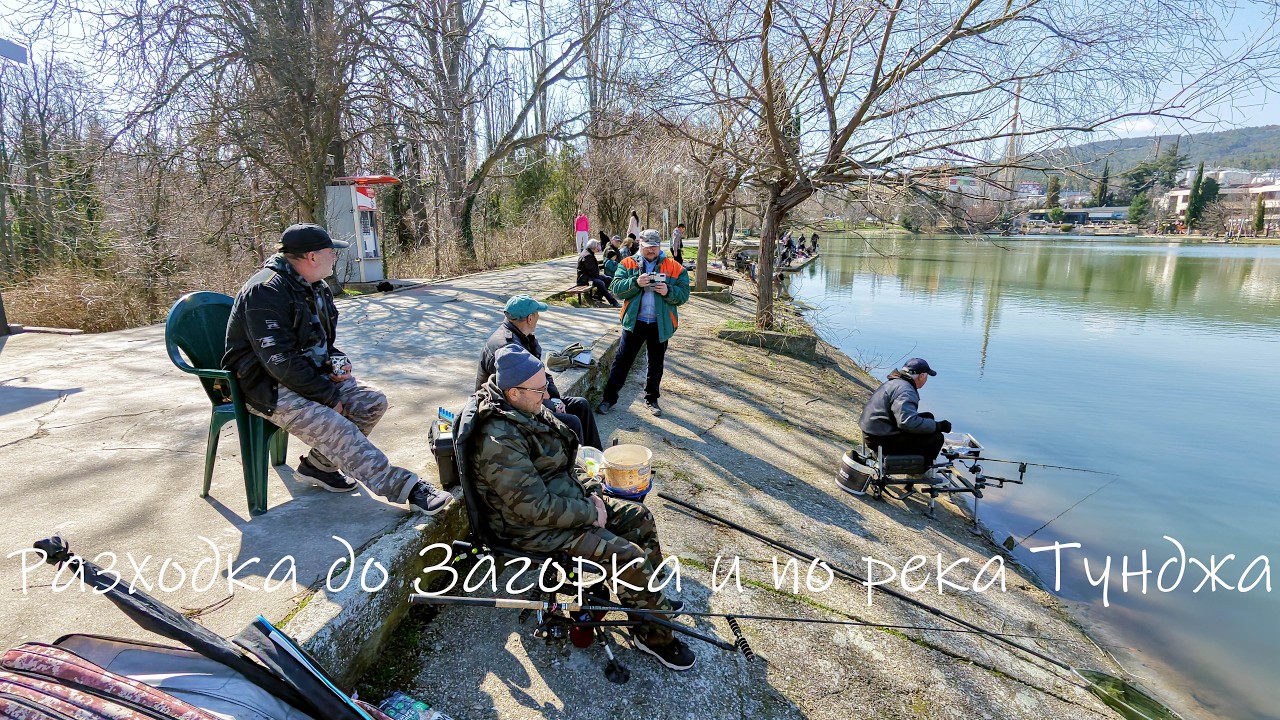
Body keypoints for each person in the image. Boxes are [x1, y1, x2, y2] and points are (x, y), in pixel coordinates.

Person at [471, 346, 694, 670]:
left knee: (640, 517)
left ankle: (650, 602)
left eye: (545, 383)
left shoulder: (527, 407)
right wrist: (591, 513)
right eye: (539, 388)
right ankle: (656, 637)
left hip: (567, 505)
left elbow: (568, 458)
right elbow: (532, 508)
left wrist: (593, 494)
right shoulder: (499, 440)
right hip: (532, 529)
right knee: (627, 556)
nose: (547, 392)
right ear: (514, 391)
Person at [223, 224, 453, 514]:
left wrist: (336, 362)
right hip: (265, 387)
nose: (336, 258)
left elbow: (322, 342)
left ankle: (320, 466)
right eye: (332, 253)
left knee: (371, 402)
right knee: (338, 426)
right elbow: (280, 361)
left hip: (306, 376)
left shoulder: (315, 287)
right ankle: (406, 488)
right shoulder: (265, 291)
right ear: (312, 257)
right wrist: (329, 397)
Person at [476, 294, 604, 450]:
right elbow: (518, 397)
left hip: (528, 398)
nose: (538, 318)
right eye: (537, 314)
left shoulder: (522, 337)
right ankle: (579, 467)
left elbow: (541, 373)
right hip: (507, 412)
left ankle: (596, 457)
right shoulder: (507, 348)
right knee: (572, 422)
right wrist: (550, 404)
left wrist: (556, 399)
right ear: (530, 318)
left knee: (581, 405)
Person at [596, 229, 690, 417]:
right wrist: (636, 283)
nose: (651, 251)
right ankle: (608, 399)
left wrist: (668, 291)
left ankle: (651, 399)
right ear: (641, 245)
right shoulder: (628, 263)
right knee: (622, 362)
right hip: (634, 322)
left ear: (660, 246)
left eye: (654, 247)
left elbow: (684, 294)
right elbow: (615, 289)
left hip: (660, 323)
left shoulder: (674, 267)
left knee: (656, 363)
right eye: (647, 247)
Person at [857, 358, 951, 464]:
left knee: (928, 416)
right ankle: (917, 472)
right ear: (921, 376)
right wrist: (938, 426)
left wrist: (932, 424)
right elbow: (907, 423)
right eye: (927, 376)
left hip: (873, 431)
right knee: (937, 438)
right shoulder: (906, 391)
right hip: (880, 438)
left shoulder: (895, 382)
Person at [577, 240, 620, 308]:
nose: (598, 247)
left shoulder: (590, 253)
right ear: (593, 247)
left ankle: (598, 296)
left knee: (608, 279)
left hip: (590, 276)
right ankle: (613, 302)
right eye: (597, 246)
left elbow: (593, 271)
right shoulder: (587, 256)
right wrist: (598, 276)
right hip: (584, 278)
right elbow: (591, 271)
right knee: (600, 282)